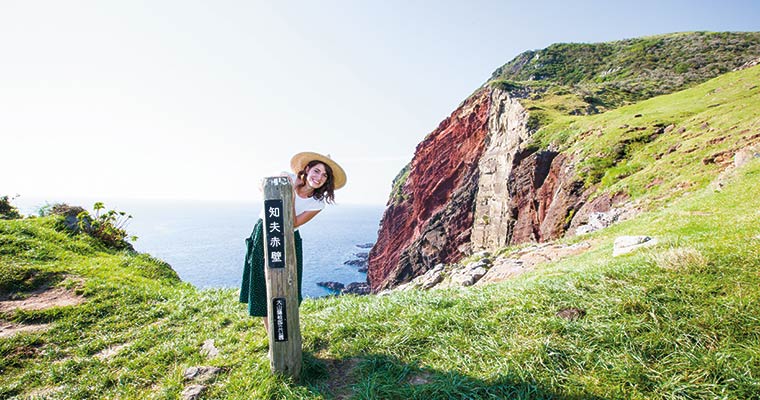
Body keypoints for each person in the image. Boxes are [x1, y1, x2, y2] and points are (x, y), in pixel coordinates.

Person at [239, 151, 347, 332]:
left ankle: (285, 335)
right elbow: (261, 184)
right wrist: (280, 181)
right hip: (265, 232)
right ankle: (272, 338)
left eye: (324, 175)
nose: (319, 177)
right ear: (307, 169)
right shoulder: (287, 178)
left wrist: (291, 197)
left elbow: (294, 223)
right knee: (263, 287)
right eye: (316, 171)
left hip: (289, 240)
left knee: (286, 288)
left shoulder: (317, 203)